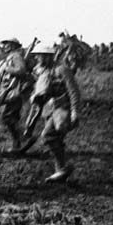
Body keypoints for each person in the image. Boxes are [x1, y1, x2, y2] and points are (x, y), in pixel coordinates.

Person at [29, 41, 82, 183]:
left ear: (47, 56)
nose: (36, 59)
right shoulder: (43, 72)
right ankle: (61, 169)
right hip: (49, 110)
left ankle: (62, 168)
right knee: (54, 138)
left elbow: (73, 91)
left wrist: (74, 111)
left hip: (62, 108)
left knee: (48, 135)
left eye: (38, 56)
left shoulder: (62, 70)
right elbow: (39, 91)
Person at [0, 38, 32, 153]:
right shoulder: (10, 57)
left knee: (8, 117)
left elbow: (21, 70)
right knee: (10, 117)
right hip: (10, 91)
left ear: (13, 46)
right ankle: (19, 142)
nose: (4, 46)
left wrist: (7, 68)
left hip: (14, 91)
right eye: (4, 44)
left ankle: (22, 140)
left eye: (7, 44)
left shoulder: (15, 56)